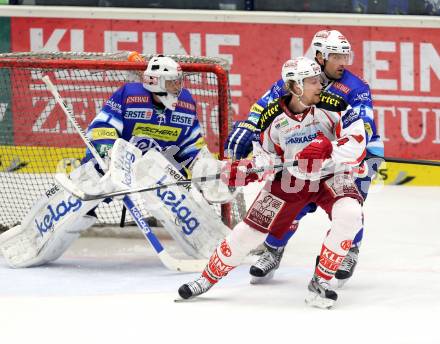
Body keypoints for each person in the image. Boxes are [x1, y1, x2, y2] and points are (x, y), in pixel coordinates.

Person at [178, 56, 367, 308]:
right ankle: (206, 278)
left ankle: (320, 282)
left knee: (351, 214)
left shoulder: (335, 106)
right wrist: (248, 170)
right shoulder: (271, 119)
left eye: (319, 79)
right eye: (313, 81)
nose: (320, 85)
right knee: (248, 234)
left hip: (330, 175)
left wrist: (328, 148)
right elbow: (266, 160)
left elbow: (357, 142)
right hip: (289, 182)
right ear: (295, 86)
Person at [0, 54, 208, 268]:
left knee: (180, 193)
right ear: (156, 83)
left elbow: (191, 145)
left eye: (178, 81)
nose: (178, 87)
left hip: (153, 170)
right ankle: (35, 239)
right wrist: (110, 155)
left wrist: (202, 164)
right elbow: (102, 128)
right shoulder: (129, 96)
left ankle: (207, 243)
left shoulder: (186, 104)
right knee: (84, 190)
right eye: (172, 82)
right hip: (113, 164)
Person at [224, 29, 383, 286]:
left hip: (357, 152)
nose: (343, 62)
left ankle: (348, 250)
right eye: (336, 56)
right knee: (291, 199)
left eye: (346, 55)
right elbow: (264, 106)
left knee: (349, 204)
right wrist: (250, 125)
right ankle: (273, 249)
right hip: (308, 151)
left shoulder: (356, 88)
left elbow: (362, 128)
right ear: (320, 56)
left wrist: (345, 153)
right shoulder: (299, 76)